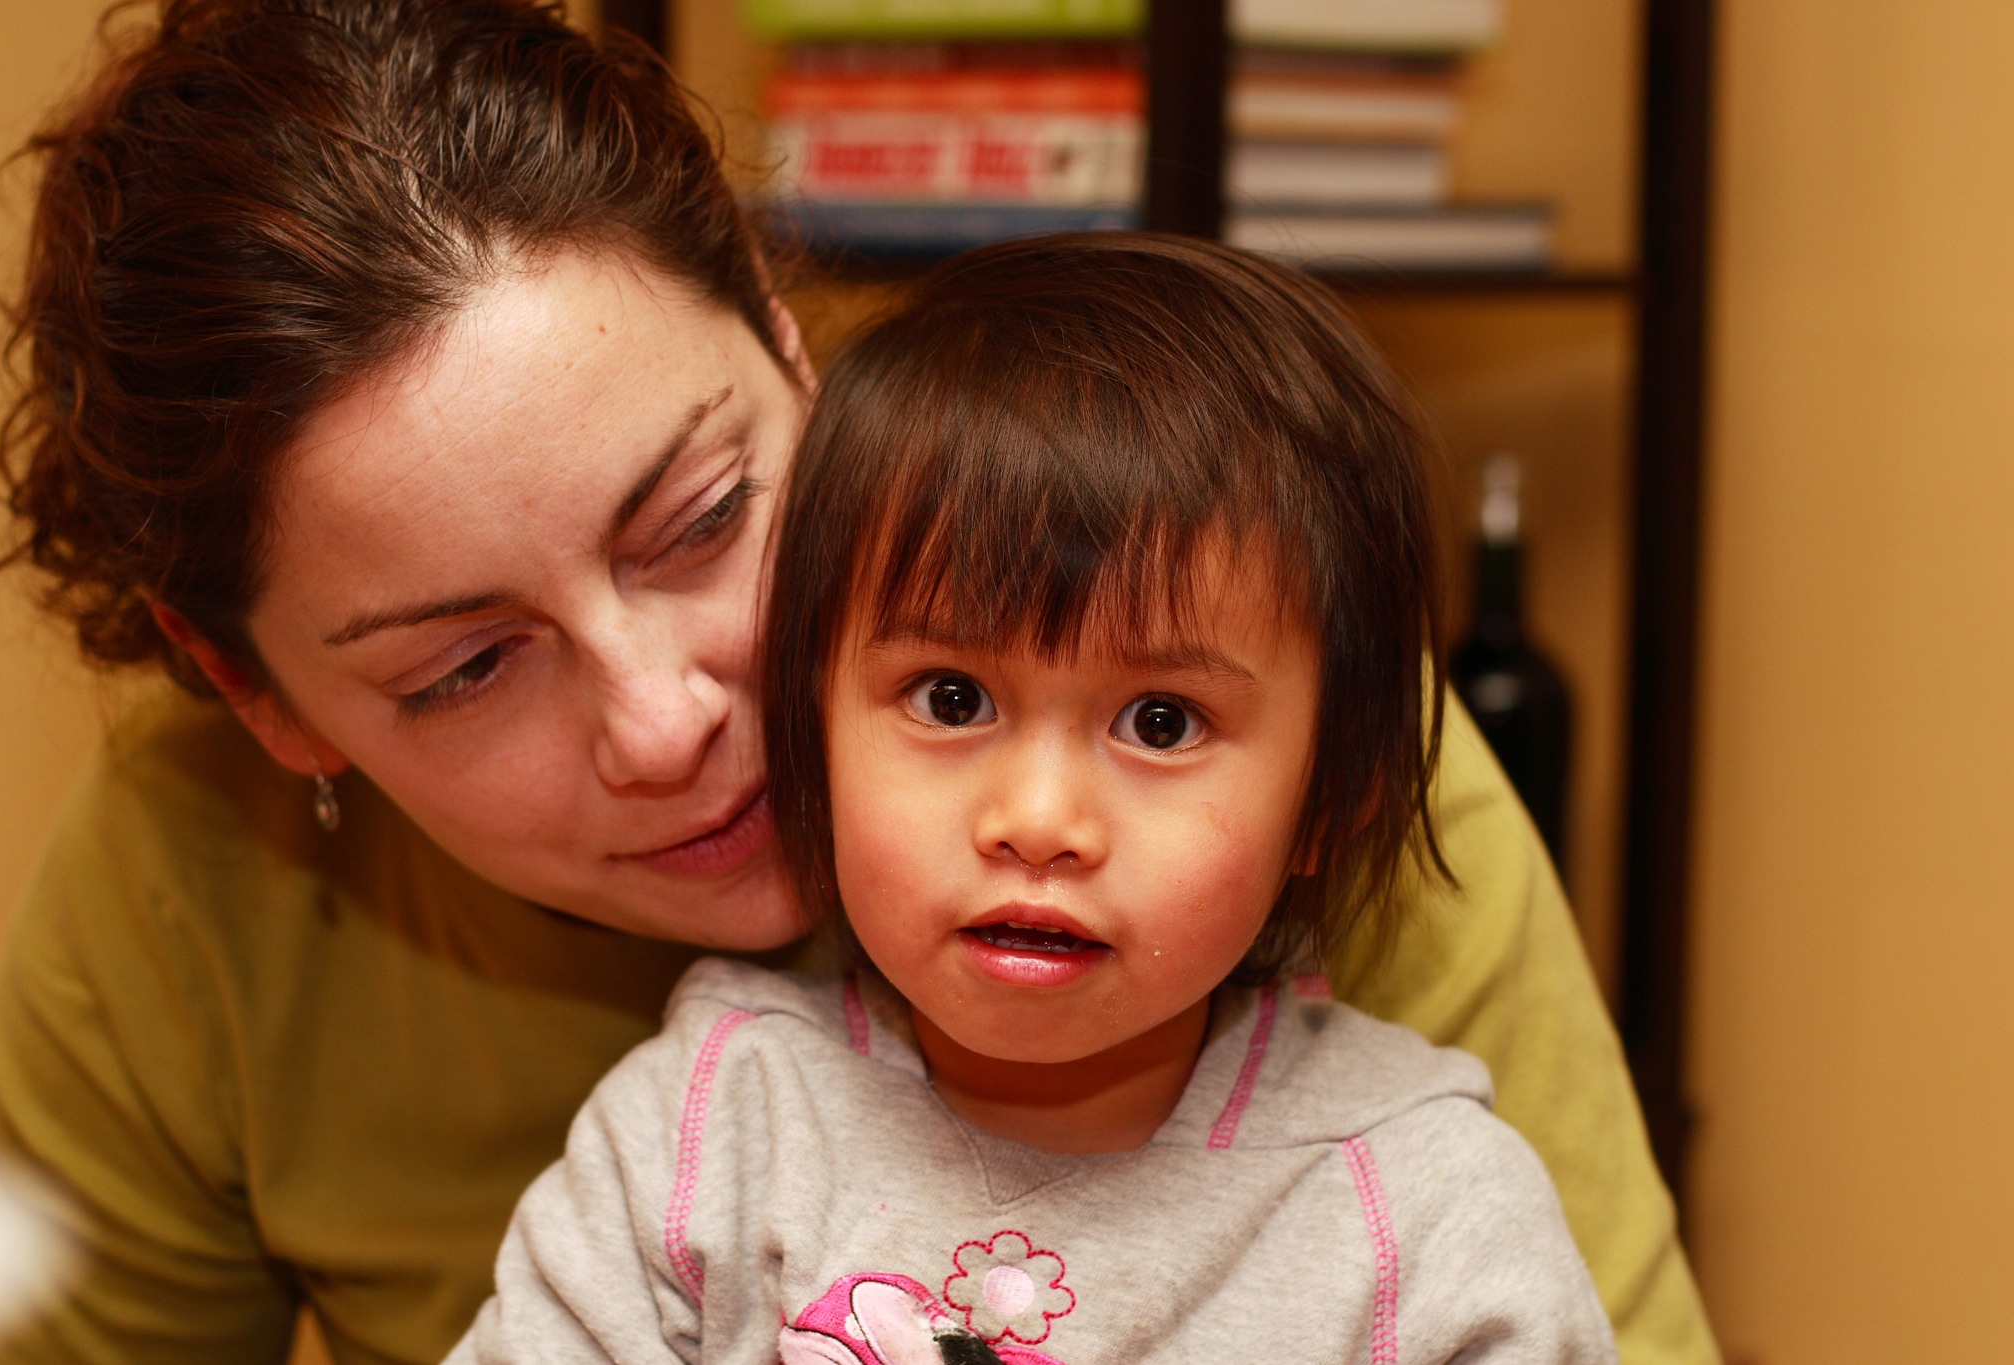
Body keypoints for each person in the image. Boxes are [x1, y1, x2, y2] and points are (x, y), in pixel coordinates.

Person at [0, 1, 1713, 1362]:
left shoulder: (1251, 732)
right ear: (258, 699)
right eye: (467, 666)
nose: (672, 724)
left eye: (705, 516)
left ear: (790, 348)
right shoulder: (186, 892)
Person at [451, 235, 1619, 1365]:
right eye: (950, 699)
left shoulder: (1419, 1206)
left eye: (1159, 722)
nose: (1038, 820)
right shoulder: (702, 1132)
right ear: (810, 727)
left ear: (1331, 794)